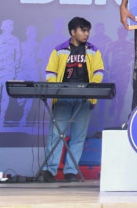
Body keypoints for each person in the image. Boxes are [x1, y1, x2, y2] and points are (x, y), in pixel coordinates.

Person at [40, 17, 104, 183]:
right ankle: (49, 171)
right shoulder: (59, 50)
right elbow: (50, 74)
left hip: (83, 98)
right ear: (72, 32)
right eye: (83, 30)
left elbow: (99, 73)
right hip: (63, 98)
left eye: (88, 30)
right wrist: (57, 91)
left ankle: (71, 172)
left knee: (78, 136)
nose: (86, 34)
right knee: (56, 134)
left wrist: (91, 90)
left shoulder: (93, 51)